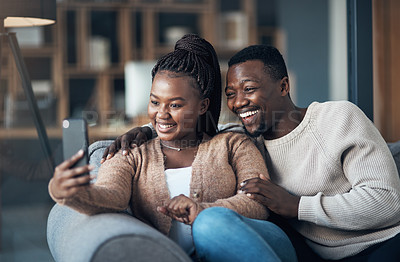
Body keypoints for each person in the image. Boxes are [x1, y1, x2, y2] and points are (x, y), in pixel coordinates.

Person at [104, 44, 400, 262]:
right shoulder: (244, 140)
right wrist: (144, 131)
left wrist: (297, 206)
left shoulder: (337, 118)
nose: (239, 102)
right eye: (231, 93)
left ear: (283, 86)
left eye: (249, 88)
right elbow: (188, 123)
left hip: (379, 245)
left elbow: (387, 201)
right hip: (310, 254)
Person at [48, 35, 296, 262]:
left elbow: (257, 203)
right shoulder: (132, 152)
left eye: (175, 105)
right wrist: (69, 192)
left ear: (202, 106)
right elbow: (110, 195)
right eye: (155, 102)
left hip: (263, 242)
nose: (162, 114)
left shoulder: (233, 144)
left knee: (209, 224)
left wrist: (202, 211)